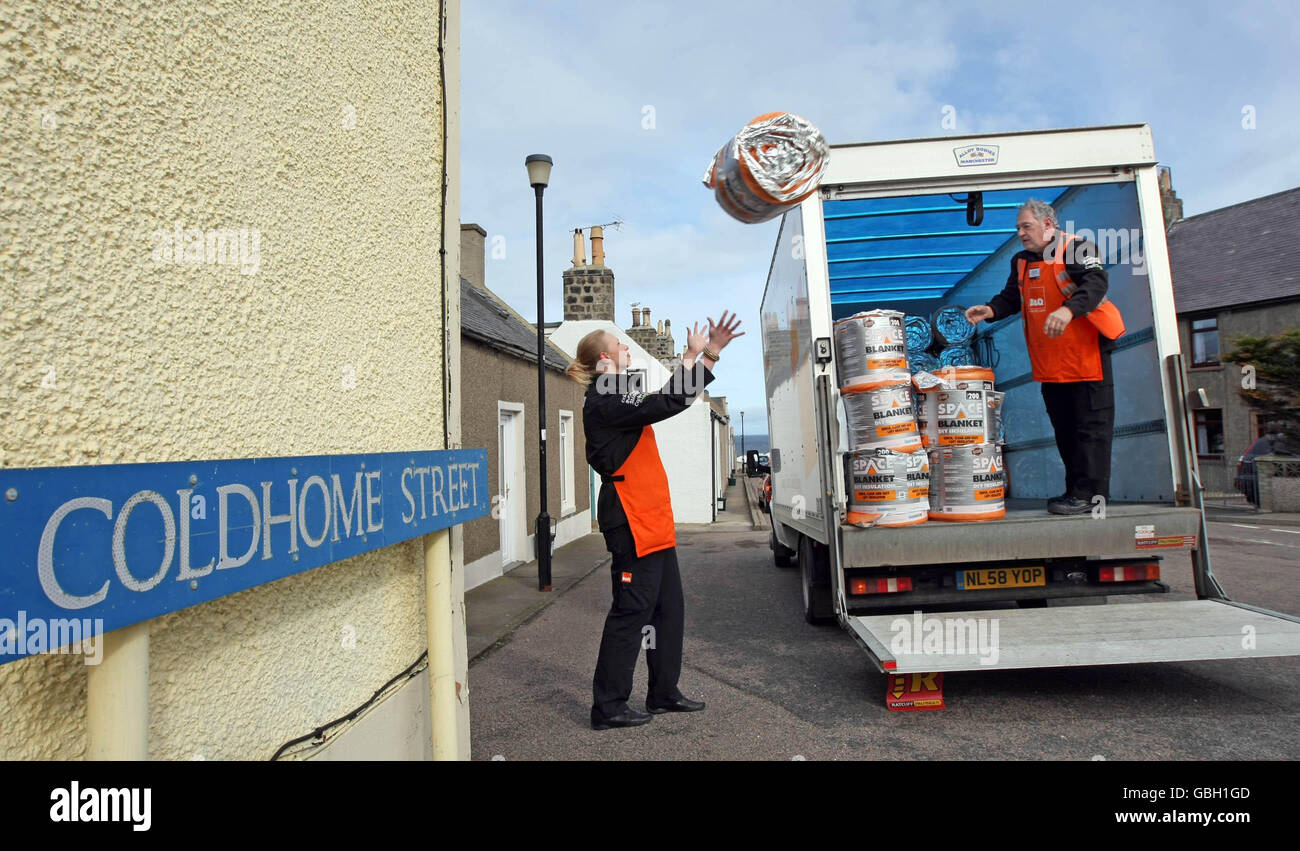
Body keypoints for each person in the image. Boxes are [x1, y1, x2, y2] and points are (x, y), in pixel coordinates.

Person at [565, 311, 744, 730]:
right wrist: (709, 356)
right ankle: (608, 706)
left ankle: (663, 693)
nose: (628, 348)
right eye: (620, 345)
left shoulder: (616, 394)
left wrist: (697, 357)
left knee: (667, 610)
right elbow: (668, 402)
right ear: (605, 360)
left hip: (651, 520)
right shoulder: (604, 398)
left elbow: (660, 398)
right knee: (631, 612)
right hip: (630, 522)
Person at [965, 199, 1125, 515]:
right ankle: (1075, 492)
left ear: (1049, 224)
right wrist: (991, 310)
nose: (1021, 233)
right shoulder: (1022, 262)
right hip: (1051, 365)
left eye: (1027, 226)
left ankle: (1091, 498)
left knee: (1090, 431)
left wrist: (1068, 310)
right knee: (1065, 432)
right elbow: (1012, 298)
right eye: (1018, 228)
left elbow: (1095, 283)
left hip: (1086, 359)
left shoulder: (1080, 248)